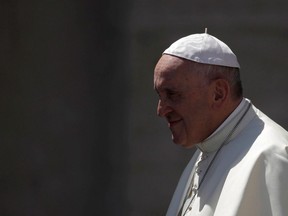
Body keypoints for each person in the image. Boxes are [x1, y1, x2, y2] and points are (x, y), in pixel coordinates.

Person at [153, 32, 288, 216]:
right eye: (159, 96)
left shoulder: (271, 156)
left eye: (172, 95)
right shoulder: (206, 148)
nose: (161, 110)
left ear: (218, 93)